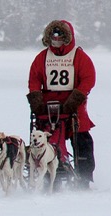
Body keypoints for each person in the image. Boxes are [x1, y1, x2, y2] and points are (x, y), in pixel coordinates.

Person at [26, 20, 96, 189]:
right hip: (47, 105)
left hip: (73, 104)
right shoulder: (42, 57)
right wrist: (36, 100)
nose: (56, 41)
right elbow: (34, 79)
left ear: (67, 38)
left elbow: (88, 79)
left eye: (60, 38)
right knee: (46, 136)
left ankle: (84, 177)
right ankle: (48, 170)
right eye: (53, 38)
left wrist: (75, 99)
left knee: (81, 138)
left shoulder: (79, 57)